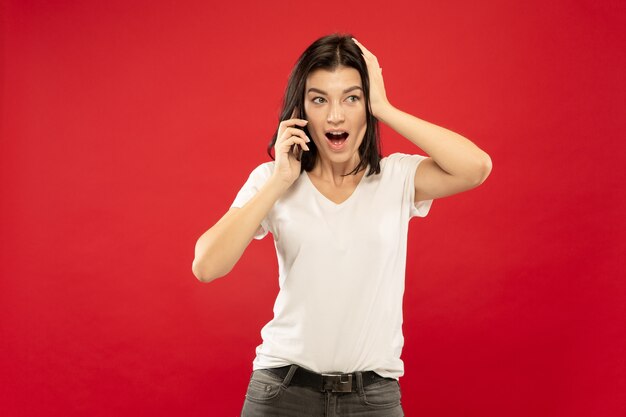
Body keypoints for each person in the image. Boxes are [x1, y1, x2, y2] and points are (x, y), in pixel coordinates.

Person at [192, 33, 492, 417]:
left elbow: (477, 167)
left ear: (366, 105)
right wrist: (280, 180)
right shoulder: (273, 179)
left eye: (352, 98)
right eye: (319, 100)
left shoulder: (396, 176)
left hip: (373, 397)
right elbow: (206, 266)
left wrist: (385, 106)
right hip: (283, 392)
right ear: (300, 110)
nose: (335, 115)